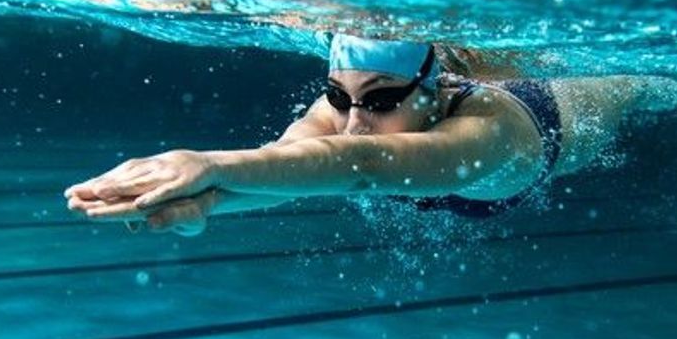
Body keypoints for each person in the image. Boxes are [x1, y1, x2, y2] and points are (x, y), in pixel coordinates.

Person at [64, 33, 647, 235]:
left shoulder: (489, 132)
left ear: (435, 90)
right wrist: (202, 203)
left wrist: (207, 164)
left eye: (382, 99)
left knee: (649, 81)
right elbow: (288, 167)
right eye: (339, 97)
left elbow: (362, 166)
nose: (352, 122)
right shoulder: (346, 114)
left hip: (583, 100)